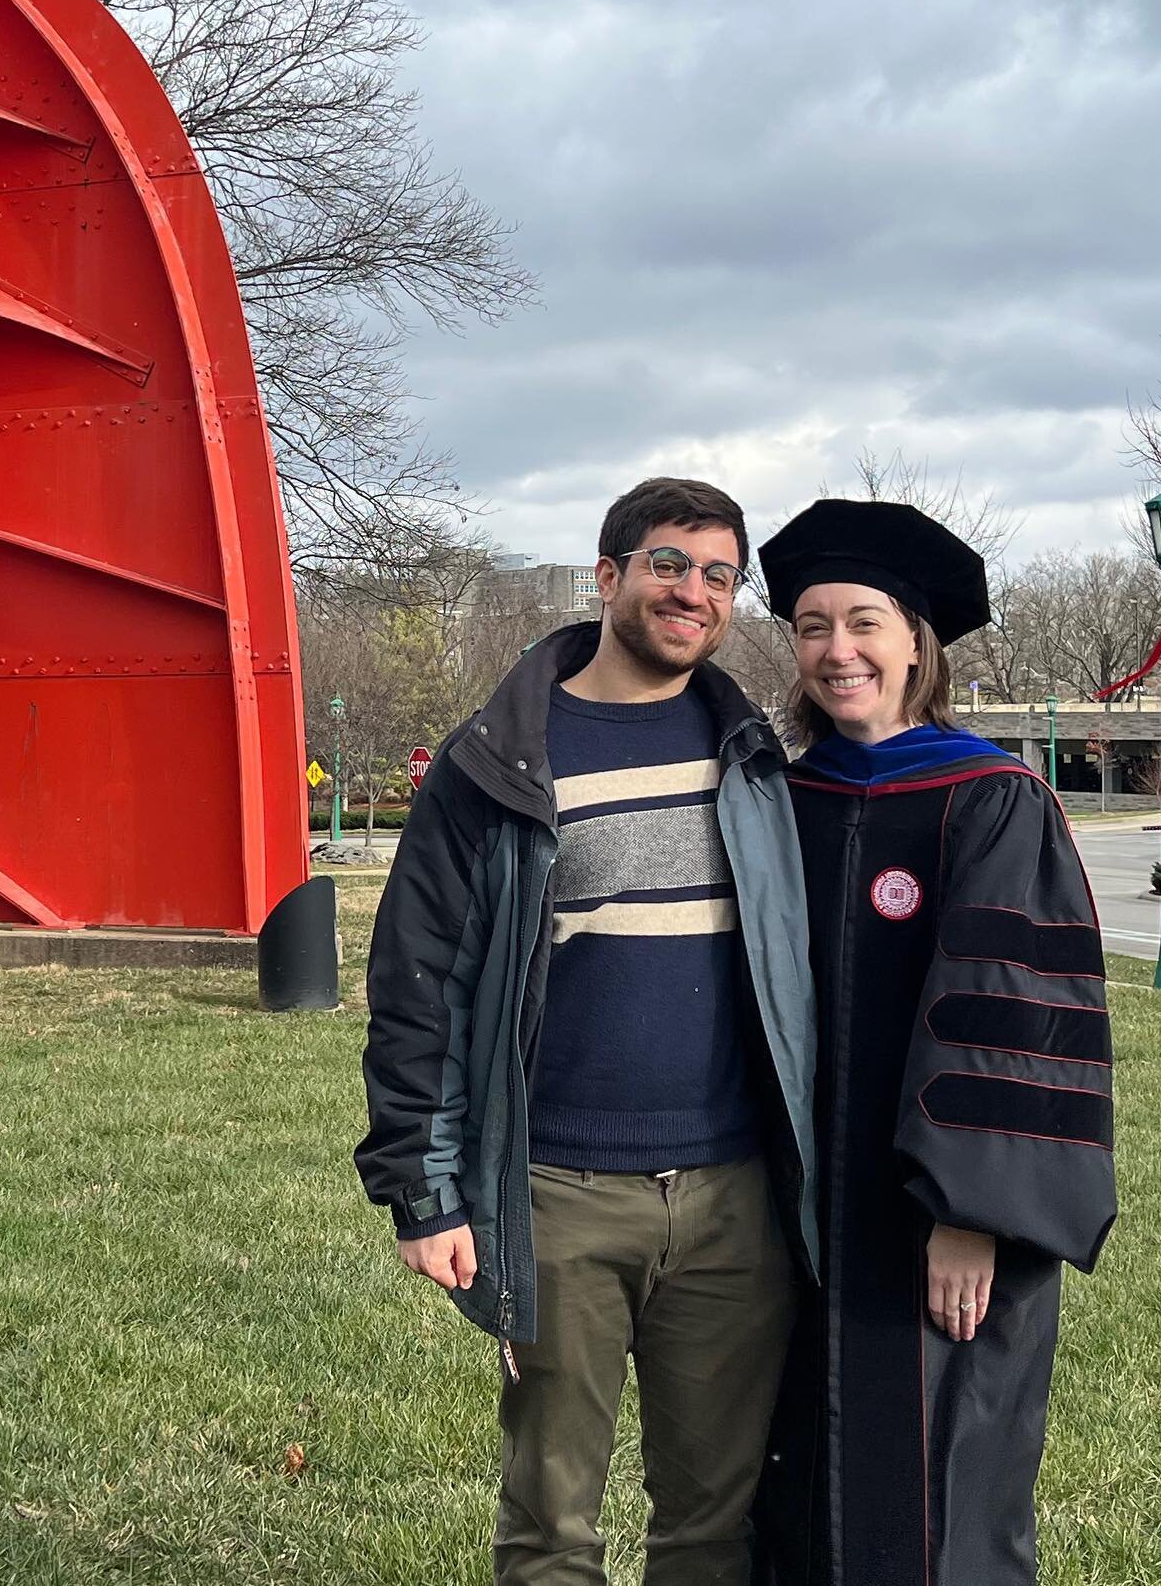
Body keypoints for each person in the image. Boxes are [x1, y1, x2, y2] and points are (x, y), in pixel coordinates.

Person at [355, 477, 819, 1585]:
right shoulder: (497, 758)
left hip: (730, 1198)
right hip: (556, 1190)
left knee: (714, 1524)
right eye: (668, 562)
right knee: (551, 1528)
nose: (692, 591)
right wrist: (425, 1188)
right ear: (607, 575)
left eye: (718, 573)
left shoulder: (755, 759)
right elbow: (417, 981)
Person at [754, 498, 1118, 1586]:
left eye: (864, 621)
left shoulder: (994, 801)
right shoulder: (776, 797)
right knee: (785, 1488)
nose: (837, 649)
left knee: (945, 1497)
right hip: (789, 1216)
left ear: (917, 637)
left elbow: (1019, 1012)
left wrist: (972, 1212)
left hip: (935, 1224)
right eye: (813, 626)